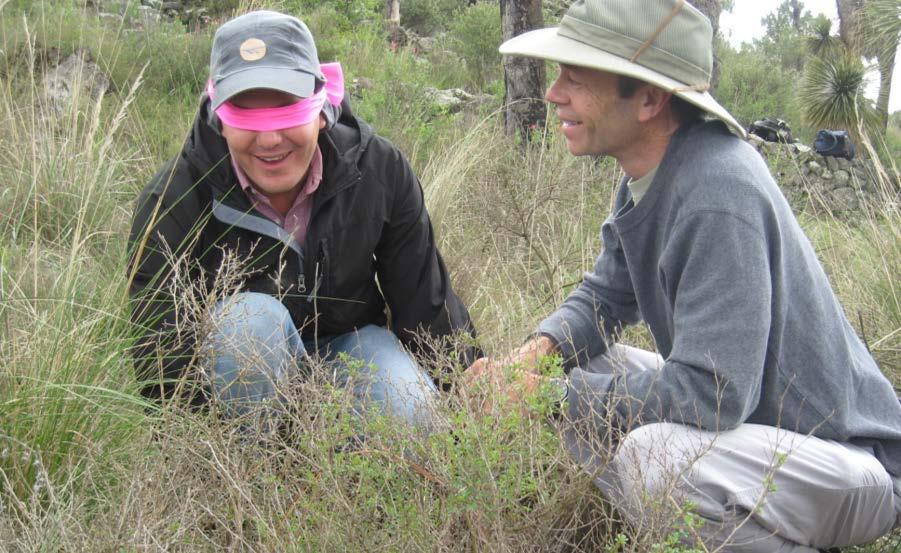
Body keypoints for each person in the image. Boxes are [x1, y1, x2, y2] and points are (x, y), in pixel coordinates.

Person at [464, 0, 901, 551]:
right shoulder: (650, 173)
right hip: (763, 446)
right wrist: (532, 359)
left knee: (655, 459)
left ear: (649, 98)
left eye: (576, 77)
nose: (554, 92)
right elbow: (604, 296)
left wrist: (548, 397)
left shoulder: (720, 194)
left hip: (852, 465)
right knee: (583, 361)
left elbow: (711, 393)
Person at [128, 10, 477, 431]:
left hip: (351, 347)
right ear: (217, 117)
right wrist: (199, 453)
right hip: (238, 378)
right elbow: (162, 351)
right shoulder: (174, 196)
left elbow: (424, 301)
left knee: (416, 419)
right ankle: (258, 468)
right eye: (246, 115)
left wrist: (468, 390)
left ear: (322, 107)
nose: (270, 139)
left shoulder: (379, 169)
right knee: (248, 328)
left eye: (287, 109)